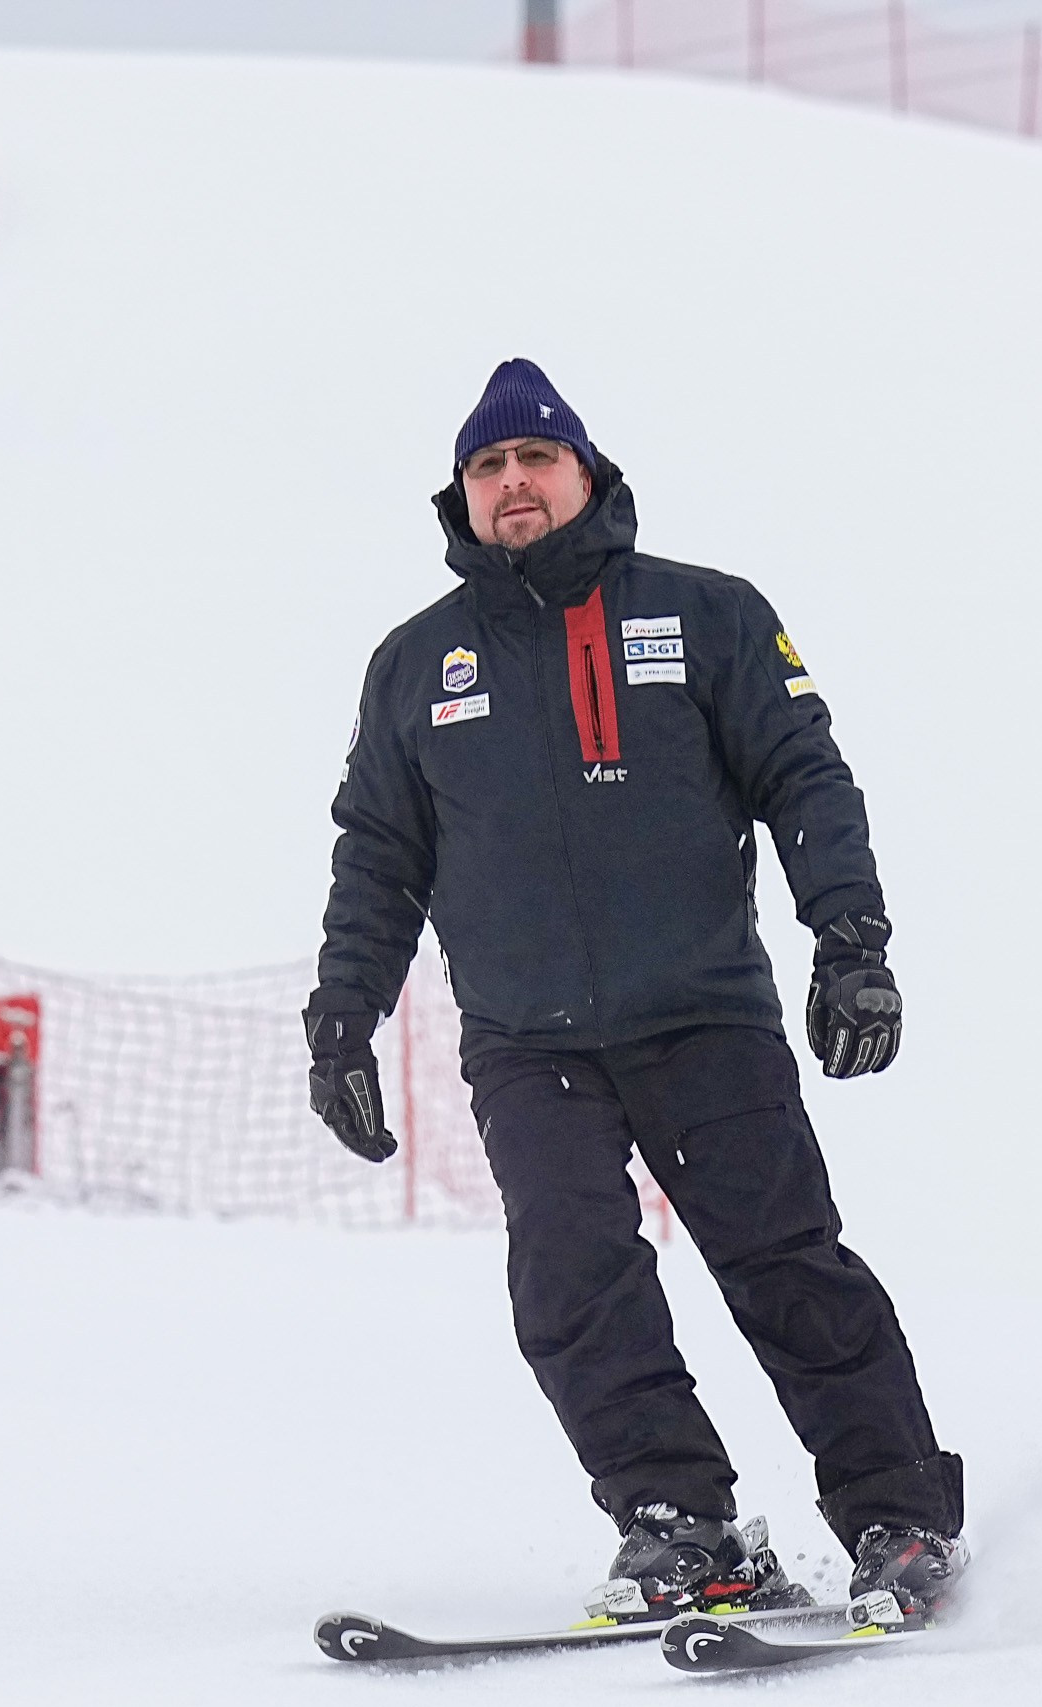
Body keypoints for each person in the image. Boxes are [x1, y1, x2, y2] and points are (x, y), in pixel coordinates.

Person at [304, 358, 964, 1631]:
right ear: (461, 495)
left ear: (586, 475)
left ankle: (898, 1519)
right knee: (568, 1277)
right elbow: (376, 854)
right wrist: (343, 1018)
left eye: (533, 460)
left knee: (784, 1265)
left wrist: (852, 943)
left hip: (701, 1014)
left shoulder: (706, 615)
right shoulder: (414, 665)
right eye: (487, 467)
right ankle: (679, 1526)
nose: (511, 484)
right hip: (521, 1037)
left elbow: (805, 779)